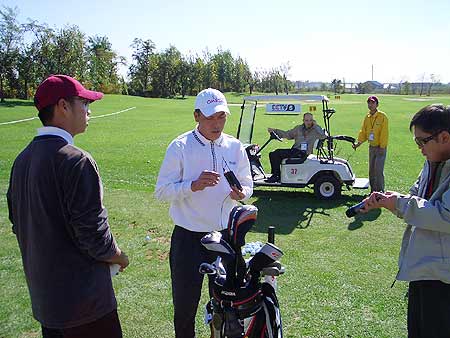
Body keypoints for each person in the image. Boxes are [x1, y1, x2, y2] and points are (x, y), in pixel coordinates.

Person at [6, 75, 129, 338]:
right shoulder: (76, 160)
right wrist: (119, 255)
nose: (88, 111)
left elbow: (18, 225)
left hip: (47, 301)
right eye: (83, 103)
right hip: (85, 305)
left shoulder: (22, 160)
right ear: (63, 106)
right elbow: (94, 235)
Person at [155, 88, 253, 338]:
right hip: (188, 239)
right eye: (210, 117)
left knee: (226, 305)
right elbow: (162, 191)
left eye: (222, 117)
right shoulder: (180, 147)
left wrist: (241, 194)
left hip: (225, 238)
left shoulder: (234, 146)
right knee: (185, 306)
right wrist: (192, 185)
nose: (216, 123)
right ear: (196, 115)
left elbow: (248, 184)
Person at [361, 104, 450, 338]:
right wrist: (391, 199)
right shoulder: (433, 161)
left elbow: (445, 216)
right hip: (424, 269)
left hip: (444, 279)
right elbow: (417, 197)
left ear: (444, 137)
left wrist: (399, 203)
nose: (420, 149)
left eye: (422, 142)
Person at [266, 112, 326, 183]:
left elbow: (324, 136)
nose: (309, 122)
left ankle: (276, 176)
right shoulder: (298, 129)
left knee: (275, 154)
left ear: (313, 121)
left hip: (304, 153)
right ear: (303, 120)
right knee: (273, 153)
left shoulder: (315, 130)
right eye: (306, 120)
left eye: (310, 120)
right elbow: (287, 134)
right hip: (295, 151)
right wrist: (275, 131)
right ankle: (276, 175)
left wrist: (316, 125)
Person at [353, 95, 389, 192]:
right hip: (371, 147)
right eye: (369, 102)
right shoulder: (367, 117)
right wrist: (358, 143)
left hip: (380, 148)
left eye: (373, 102)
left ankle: (380, 192)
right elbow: (363, 132)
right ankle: (373, 191)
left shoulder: (382, 117)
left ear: (377, 104)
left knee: (378, 171)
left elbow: (384, 133)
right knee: (371, 171)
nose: (370, 105)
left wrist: (382, 147)